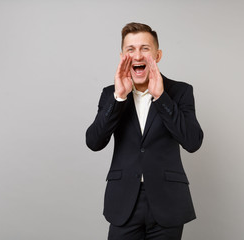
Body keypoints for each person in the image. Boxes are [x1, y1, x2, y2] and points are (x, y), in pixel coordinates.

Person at [86, 22, 203, 240]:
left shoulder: (180, 91)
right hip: (123, 201)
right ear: (123, 56)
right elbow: (94, 142)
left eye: (145, 49)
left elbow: (193, 142)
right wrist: (119, 98)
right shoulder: (110, 93)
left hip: (168, 201)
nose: (137, 56)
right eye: (131, 49)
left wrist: (161, 97)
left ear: (157, 55)